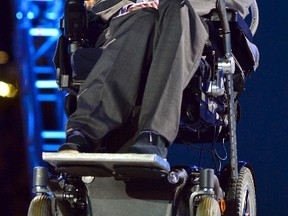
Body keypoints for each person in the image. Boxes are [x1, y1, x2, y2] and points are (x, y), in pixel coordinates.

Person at [58, 0, 255, 158]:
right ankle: (84, 131)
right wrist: (129, 7)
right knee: (143, 18)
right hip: (127, 25)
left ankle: (153, 134)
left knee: (176, 8)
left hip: (191, 25)